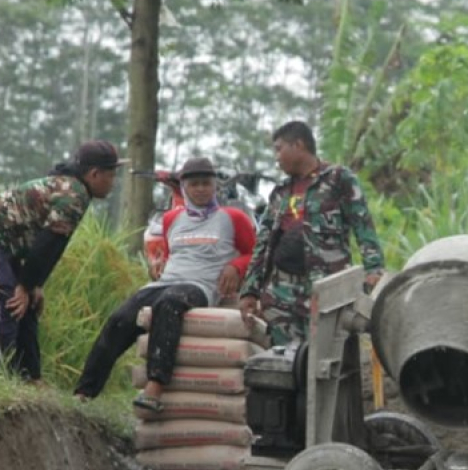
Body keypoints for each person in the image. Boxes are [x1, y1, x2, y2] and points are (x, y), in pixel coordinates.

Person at [73, 156, 257, 409]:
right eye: (195, 184)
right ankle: (84, 392)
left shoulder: (233, 218)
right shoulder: (172, 219)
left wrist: (235, 266)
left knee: (169, 304)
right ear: (184, 188)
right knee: (120, 319)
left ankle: (155, 387)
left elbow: (256, 255)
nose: (201, 189)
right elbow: (173, 255)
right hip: (165, 282)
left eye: (206, 183)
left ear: (215, 186)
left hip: (200, 287)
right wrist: (158, 268)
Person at [0, 139, 124, 383]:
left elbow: (52, 246)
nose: (113, 182)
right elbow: (47, 244)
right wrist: (25, 286)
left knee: (29, 305)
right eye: (111, 175)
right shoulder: (72, 195)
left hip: (8, 242)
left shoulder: (76, 191)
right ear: (95, 174)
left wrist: (34, 285)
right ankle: (3, 376)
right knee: (5, 297)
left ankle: (31, 377)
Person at [238, 120, 385, 346]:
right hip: (282, 292)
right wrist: (250, 290)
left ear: (298, 145)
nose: (276, 158)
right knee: (284, 359)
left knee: (329, 355)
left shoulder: (338, 179)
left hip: (327, 287)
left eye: (279, 149)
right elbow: (263, 244)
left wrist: (374, 269)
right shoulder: (280, 192)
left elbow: (363, 225)